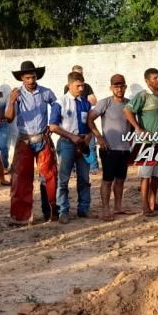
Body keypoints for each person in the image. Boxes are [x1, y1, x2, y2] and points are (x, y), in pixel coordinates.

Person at [6, 61, 59, 224]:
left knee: (49, 176)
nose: (31, 80)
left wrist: (53, 121)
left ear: (37, 77)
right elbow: (8, 118)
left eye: (33, 77)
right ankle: (21, 216)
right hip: (24, 139)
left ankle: (50, 212)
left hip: (43, 137)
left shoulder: (46, 92)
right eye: (27, 78)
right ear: (22, 78)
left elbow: (56, 105)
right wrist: (12, 101)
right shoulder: (16, 94)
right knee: (21, 178)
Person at [123, 68, 158, 217]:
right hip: (146, 143)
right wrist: (138, 128)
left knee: (156, 175)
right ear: (147, 81)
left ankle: (153, 202)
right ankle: (144, 205)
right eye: (154, 78)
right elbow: (127, 110)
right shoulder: (142, 95)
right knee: (146, 175)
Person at [88, 74, 133, 221]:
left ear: (125, 87)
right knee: (107, 180)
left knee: (120, 180)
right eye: (116, 86)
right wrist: (99, 137)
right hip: (109, 149)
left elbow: (132, 124)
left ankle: (118, 207)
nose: (119, 89)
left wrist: (131, 140)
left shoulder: (130, 104)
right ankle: (106, 209)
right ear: (111, 88)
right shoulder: (105, 103)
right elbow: (90, 119)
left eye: (121, 86)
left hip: (124, 149)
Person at [49, 72, 93, 224]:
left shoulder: (85, 103)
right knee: (63, 179)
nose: (81, 89)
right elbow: (53, 126)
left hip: (83, 143)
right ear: (69, 85)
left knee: (84, 178)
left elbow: (90, 124)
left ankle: (84, 209)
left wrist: (89, 136)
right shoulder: (60, 102)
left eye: (82, 86)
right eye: (78, 86)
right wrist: (71, 136)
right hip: (66, 143)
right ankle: (63, 210)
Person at [63, 65, 99, 174]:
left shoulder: (87, 86)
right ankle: (73, 169)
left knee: (91, 145)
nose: (81, 88)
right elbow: (69, 101)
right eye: (77, 73)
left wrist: (86, 100)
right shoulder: (67, 87)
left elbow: (94, 100)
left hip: (86, 118)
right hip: (73, 122)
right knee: (72, 148)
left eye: (81, 73)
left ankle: (93, 167)